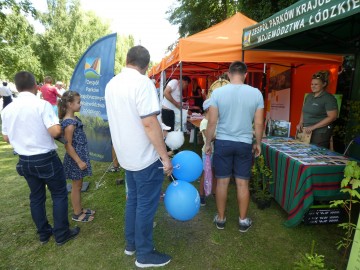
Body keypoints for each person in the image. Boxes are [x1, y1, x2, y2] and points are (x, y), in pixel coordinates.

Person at [105, 45, 173, 268]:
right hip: (144, 157)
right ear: (145, 66)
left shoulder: (112, 83)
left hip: (126, 155)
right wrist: (165, 157)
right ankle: (144, 254)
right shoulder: (142, 82)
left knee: (133, 200)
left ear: (127, 60)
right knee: (144, 205)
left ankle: (131, 244)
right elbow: (149, 122)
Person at [1, 71, 80, 245]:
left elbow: (6, 137)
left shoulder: (7, 109)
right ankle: (61, 234)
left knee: (36, 197)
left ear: (18, 87)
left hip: (24, 159)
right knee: (59, 194)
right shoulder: (41, 105)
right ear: (35, 86)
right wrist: (58, 127)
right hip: (45, 157)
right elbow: (54, 131)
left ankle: (44, 234)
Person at [205, 61, 264, 232]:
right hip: (245, 143)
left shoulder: (218, 93)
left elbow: (212, 122)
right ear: (245, 75)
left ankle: (221, 219)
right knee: (242, 184)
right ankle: (243, 221)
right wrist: (258, 143)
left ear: (229, 74)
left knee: (222, 183)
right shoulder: (256, 93)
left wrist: (208, 143)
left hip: (223, 141)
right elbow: (259, 123)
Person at [58, 91, 94, 223]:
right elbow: (67, 145)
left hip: (79, 157)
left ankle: (80, 209)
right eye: (78, 102)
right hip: (75, 159)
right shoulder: (69, 123)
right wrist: (79, 161)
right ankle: (77, 213)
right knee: (76, 186)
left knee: (78, 185)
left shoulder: (73, 120)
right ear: (69, 104)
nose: (81, 104)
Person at [296, 70, 338, 148]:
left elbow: (332, 117)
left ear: (324, 84)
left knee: (315, 155)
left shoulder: (328, 98)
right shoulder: (309, 96)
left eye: (316, 84)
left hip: (320, 133)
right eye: (312, 84)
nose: (313, 86)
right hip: (306, 131)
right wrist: (301, 122)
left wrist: (313, 127)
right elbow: (304, 110)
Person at [198, 99, 216, 206]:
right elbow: (208, 137)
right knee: (205, 173)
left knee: (214, 172)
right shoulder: (204, 122)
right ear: (209, 109)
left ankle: (213, 192)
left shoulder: (216, 121)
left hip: (216, 151)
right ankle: (201, 194)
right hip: (207, 152)